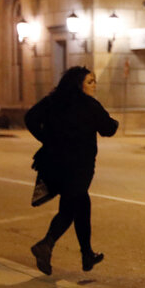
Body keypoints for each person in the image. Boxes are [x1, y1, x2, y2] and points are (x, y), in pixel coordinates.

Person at [25, 66, 119, 275]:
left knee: (80, 204)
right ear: (79, 84)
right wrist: (114, 121)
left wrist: (46, 139)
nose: (94, 85)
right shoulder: (89, 105)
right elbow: (108, 129)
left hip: (52, 163)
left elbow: (30, 118)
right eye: (90, 81)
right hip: (79, 166)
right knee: (71, 208)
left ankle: (87, 254)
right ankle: (46, 244)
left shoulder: (52, 101)